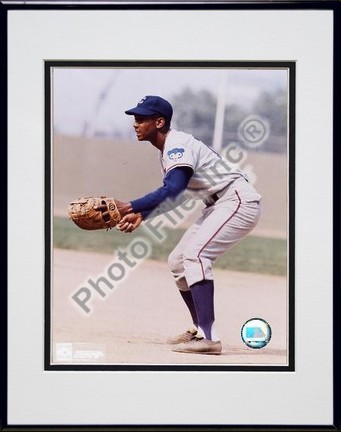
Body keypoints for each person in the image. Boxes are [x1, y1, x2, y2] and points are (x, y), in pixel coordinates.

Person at [112, 95, 262, 355]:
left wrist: (129, 205)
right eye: (134, 119)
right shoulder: (169, 147)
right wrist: (143, 215)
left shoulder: (176, 145)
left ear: (159, 122)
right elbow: (176, 194)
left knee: (196, 255)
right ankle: (200, 330)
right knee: (178, 262)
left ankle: (210, 339)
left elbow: (173, 189)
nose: (135, 124)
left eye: (141, 119)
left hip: (236, 200)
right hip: (219, 202)